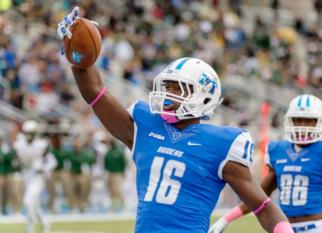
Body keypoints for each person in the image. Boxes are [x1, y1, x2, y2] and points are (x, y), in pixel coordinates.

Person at [57, 7, 294, 233]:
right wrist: (78, 55)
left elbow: (263, 208)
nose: (167, 94)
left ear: (204, 96)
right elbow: (94, 91)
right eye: (166, 86)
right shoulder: (142, 128)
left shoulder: (221, 144)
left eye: (178, 89)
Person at [209, 94, 322, 233]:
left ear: (320, 122)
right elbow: (258, 196)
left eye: (308, 120)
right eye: (297, 120)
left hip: (316, 229)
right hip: (284, 228)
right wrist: (226, 219)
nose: (302, 126)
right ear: (289, 121)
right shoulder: (277, 150)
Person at [14, 120, 57, 233]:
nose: (28, 135)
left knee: (28, 201)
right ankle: (45, 223)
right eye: (27, 132)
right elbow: (17, 160)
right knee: (33, 203)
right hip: (26, 175)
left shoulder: (41, 145)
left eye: (31, 132)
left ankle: (30, 229)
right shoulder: (19, 145)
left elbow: (52, 161)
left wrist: (44, 169)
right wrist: (17, 163)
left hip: (38, 177)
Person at [104, 138, 127, 211]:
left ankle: (123, 204)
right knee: (111, 190)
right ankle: (113, 206)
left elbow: (123, 163)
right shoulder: (108, 153)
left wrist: (122, 172)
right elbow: (105, 164)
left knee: (117, 190)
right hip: (110, 173)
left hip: (117, 173)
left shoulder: (119, 152)